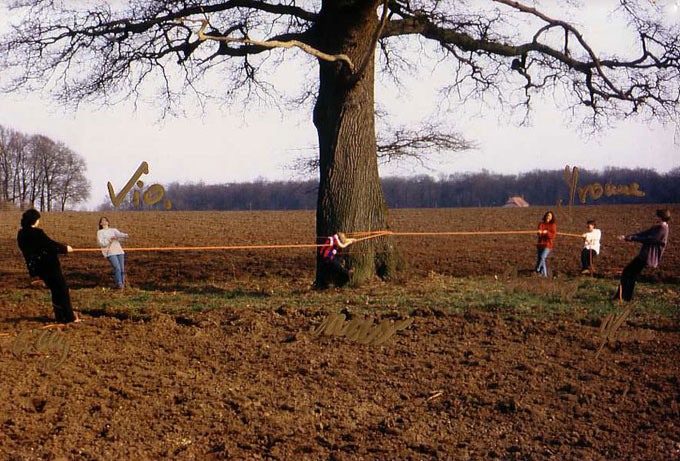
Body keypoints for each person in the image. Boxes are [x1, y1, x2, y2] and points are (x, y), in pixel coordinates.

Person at [17, 209, 79, 323]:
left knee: (55, 290)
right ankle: (69, 318)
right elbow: (50, 245)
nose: (38, 221)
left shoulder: (21, 234)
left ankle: (60, 316)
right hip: (49, 266)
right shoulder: (37, 233)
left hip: (37, 267)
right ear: (34, 220)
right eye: (38, 219)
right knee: (62, 290)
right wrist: (65, 249)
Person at [615, 209, 670, 301]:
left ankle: (623, 296)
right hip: (644, 255)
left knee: (628, 272)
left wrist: (632, 238)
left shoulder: (662, 229)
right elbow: (643, 233)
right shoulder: (657, 227)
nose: (655, 217)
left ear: (660, 217)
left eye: (657, 216)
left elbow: (649, 239)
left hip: (648, 256)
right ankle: (624, 297)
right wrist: (627, 237)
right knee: (630, 273)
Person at [97, 217, 129, 289]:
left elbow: (121, 236)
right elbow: (102, 243)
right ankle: (119, 284)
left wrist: (124, 236)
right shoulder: (100, 232)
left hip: (119, 251)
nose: (105, 221)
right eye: (103, 220)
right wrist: (110, 239)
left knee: (122, 269)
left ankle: (123, 285)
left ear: (108, 222)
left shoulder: (113, 230)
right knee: (117, 268)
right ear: (100, 223)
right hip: (110, 252)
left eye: (106, 220)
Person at [535, 211, 556, 277]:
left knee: (542, 257)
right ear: (545, 216)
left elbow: (552, 236)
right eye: (547, 215)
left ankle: (538, 269)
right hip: (540, 244)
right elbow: (539, 234)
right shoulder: (541, 224)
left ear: (552, 217)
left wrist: (547, 232)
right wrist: (539, 232)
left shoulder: (553, 225)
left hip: (548, 245)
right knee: (541, 259)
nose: (548, 217)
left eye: (550, 216)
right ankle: (544, 275)